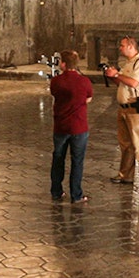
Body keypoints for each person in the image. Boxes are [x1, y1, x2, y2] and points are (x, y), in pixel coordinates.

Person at [105, 37, 139, 188]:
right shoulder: (128, 63)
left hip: (135, 108)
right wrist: (113, 77)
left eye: (122, 45)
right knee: (125, 145)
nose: (120, 48)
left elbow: (133, 83)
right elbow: (123, 83)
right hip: (123, 108)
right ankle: (126, 174)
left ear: (131, 46)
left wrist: (117, 74)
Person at [50, 50, 93, 203]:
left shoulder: (56, 81)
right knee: (77, 161)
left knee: (58, 158)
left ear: (63, 64)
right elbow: (89, 98)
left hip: (61, 126)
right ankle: (76, 194)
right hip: (79, 126)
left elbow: (55, 95)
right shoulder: (84, 81)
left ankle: (56, 191)